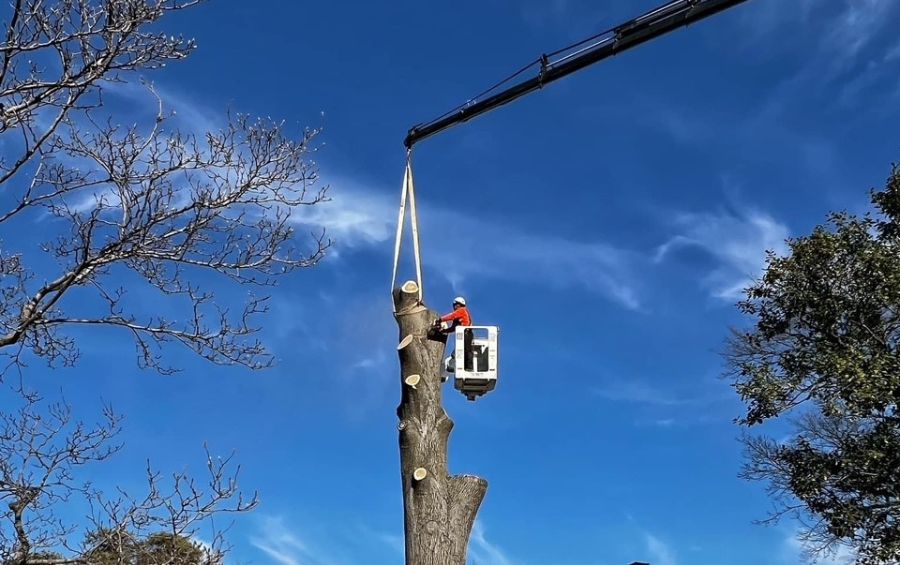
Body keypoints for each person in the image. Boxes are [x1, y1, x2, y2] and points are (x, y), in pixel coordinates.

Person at [435, 297, 473, 376]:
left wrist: (440, 319)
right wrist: (443, 331)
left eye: (455, 305)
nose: (454, 307)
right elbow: (453, 328)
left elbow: (452, 316)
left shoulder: (461, 310)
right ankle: (455, 366)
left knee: (467, 350)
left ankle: (469, 368)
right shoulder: (458, 316)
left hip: (466, 333)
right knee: (458, 352)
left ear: (458, 304)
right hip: (463, 334)